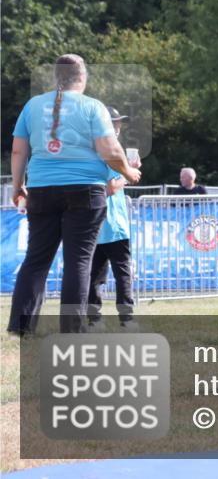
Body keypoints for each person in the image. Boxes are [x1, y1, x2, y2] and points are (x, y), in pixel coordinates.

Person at [7, 54, 141, 335]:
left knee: (36, 259)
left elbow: (19, 150)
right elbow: (109, 149)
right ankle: (72, 328)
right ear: (83, 77)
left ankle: (21, 326)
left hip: (41, 189)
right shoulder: (93, 107)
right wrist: (129, 172)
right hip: (86, 190)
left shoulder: (33, 106)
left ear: (56, 77)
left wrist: (18, 185)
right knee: (78, 261)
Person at [87, 107, 138, 329]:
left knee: (97, 276)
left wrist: (129, 169)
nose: (118, 127)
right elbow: (108, 189)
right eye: (114, 122)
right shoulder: (105, 152)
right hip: (109, 225)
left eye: (118, 123)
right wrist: (129, 173)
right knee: (116, 275)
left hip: (105, 225)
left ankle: (97, 319)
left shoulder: (102, 150)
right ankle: (123, 320)